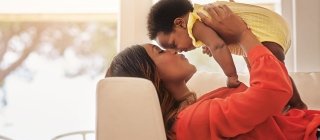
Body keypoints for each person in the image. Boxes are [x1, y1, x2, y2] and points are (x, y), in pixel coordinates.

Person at [106, 4, 320, 140]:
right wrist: (242, 34)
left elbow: (271, 96)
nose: (173, 51)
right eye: (161, 51)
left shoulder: (202, 104)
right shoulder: (189, 122)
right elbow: (273, 91)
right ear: (151, 77)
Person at [147, 0, 307, 110]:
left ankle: (298, 105)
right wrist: (211, 43)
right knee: (260, 72)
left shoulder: (195, 22)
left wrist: (231, 75)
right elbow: (217, 41)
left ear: (180, 23)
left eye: (173, 44)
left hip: (265, 29)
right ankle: (287, 105)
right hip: (269, 30)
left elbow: (218, 45)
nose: (176, 51)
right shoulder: (202, 18)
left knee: (272, 72)